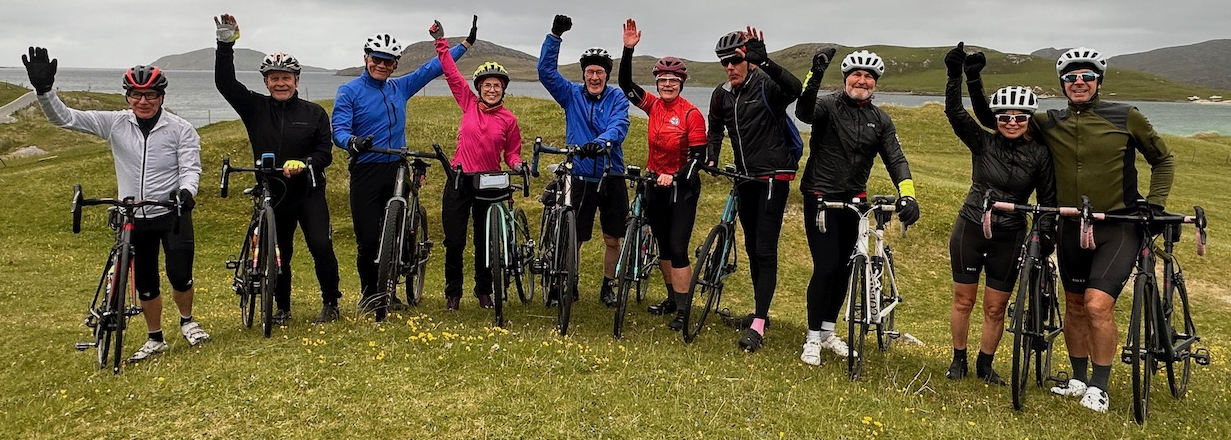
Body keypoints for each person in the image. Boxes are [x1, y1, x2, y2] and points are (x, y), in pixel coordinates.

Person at [971, 47, 1175, 412]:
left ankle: (1100, 385)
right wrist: (972, 80)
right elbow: (998, 118)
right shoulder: (1049, 121)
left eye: (1086, 77)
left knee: (1098, 306)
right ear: (1062, 84)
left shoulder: (1126, 116)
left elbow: (1163, 159)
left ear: (1098, 81)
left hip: (1116, 224)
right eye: (1070, 77)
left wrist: (1155, 203)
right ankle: (1079, 378)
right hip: (1068, 224)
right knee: (1076, 306)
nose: (1078, 82)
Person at [24, 47, 208, 361]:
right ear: (127, 97)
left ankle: (188, 321)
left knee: (179, 274)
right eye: (136, 95)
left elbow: (191, 167)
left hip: (172, 212)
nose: (143, 101)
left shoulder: (181, 129)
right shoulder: (115, 123)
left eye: (150, 94)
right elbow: (66, 118)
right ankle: (155, 338)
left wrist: (186, 191)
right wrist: (44, 92)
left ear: (161, 96)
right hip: (134, 216)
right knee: (146, 280)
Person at [332, 18, 476, 315]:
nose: (382, 65)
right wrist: (352, 142)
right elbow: (339, 130)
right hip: (366, 168)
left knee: (397, 233)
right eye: (377, 59)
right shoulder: (349, 91)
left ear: (395, 64)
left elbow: (432, 69)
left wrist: (463, 45)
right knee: (368, 239)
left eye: (388, 61)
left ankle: (393, 289)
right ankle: (369, 294)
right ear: (366, 59)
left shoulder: (400, 87)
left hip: (397, 165)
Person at [213, 14, 342, 324]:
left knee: (321, 246)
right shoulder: (255, 107)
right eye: (274, 78)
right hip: (273, 192)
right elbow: (225, 83)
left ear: (297, 80)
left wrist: (307, 163)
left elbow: (325, 152)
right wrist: (225, 44)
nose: (281, 83)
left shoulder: (314, 113)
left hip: (308, 191)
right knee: (279, 251)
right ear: (266, 81)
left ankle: (331, 302)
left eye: (287, 77)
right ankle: (282, 307)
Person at [795, 48, 919, 364]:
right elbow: (804, 112)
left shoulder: (880, 120)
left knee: (845, 269)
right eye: (856, 75)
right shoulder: (828, 105)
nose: (861, 80)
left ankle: (827, 332)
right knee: (826, 267)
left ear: (874, 83)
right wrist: (815, 73)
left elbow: (896, 159)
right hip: (821, 195)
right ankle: (811, 338)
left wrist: (908, 194)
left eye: (868, 77)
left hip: (855, 199)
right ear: (846, 78)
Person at [941, 43, 1056, 384]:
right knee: (964, 300)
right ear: (997, 119)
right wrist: (954, 75)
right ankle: (958, 359)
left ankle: (985, 364)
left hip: (1010, 233)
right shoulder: (983, 142)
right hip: (972, 225)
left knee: (995, 307)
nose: (1012, 122)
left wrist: (1043, 233)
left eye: (1020, 117)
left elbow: (1048, 199)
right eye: (1005, 117)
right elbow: (955, 113)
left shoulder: (1040, 155)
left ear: (1028, 120)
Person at [706, 28, 802, 352]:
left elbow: (796, 88)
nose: (730, 67)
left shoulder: (765, 85)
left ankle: (758, 325)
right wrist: (711, 156)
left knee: (765, 250)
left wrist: (768, 62)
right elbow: (715, 128)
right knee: (750, 250)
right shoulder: (722, 94)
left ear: (747, 59)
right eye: (725, 63)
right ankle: (761, 312)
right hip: (746, 178)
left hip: (775, 176)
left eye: (735, 61)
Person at [616, 18, 706, 330]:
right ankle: (672, 298)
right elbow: (626, 86)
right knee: (664, 247)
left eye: (673, 80)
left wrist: (676, 177)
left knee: (678, 248)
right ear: (657, 83)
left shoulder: (691, 114)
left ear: (681, 83)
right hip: (655, 185)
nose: (667, 84)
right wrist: (628, 51)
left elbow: (699, 159)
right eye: (662, 80)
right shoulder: (653, 107)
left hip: (682, 189)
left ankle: (684, 310)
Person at [429, 20, 525, 311]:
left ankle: (484, 292)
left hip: (491, 183)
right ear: (479, 88)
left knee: (486, 243)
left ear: (503, 89)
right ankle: (453, 294)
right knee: (454, 241)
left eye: (497, 85)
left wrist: (518, 164)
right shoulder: (468, 103)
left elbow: (512, 153)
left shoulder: (509, 120)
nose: (492, 89)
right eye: (487, 85)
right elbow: (451, 73)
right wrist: (441, 41)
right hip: (459, 180)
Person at [537, 14, 631, 307]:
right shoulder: (571, 95)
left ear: (606, 75)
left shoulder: (616, 98)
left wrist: (602, 142)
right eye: (590, 72)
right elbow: (546, 73)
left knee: (612, 239)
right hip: (579, 176)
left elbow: (619, 125)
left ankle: (608, 285)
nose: (594, 77)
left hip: (610, 174)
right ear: (584, 74)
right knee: (573, 238)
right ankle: (569, 282)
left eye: (599, 73)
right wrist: (555, 36)